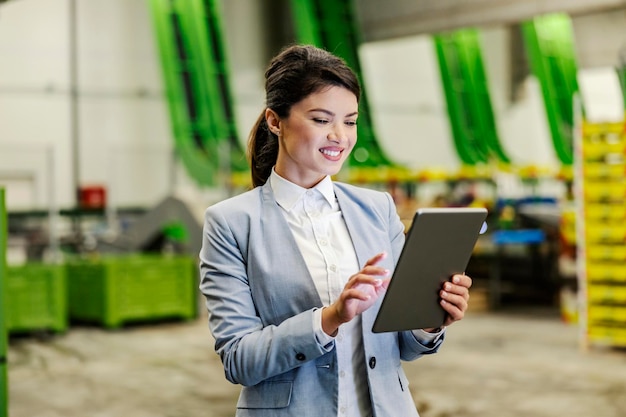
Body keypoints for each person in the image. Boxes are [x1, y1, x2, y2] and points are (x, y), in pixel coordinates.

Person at [199, 44, 472, 417]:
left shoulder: (377, 210)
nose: (340, 137)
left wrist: (428, 320)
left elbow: (403, 346)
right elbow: (238, 360)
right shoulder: (231, 223)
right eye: (322, 119)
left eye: (350, 121)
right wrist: (329, 318)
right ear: (275, 121)